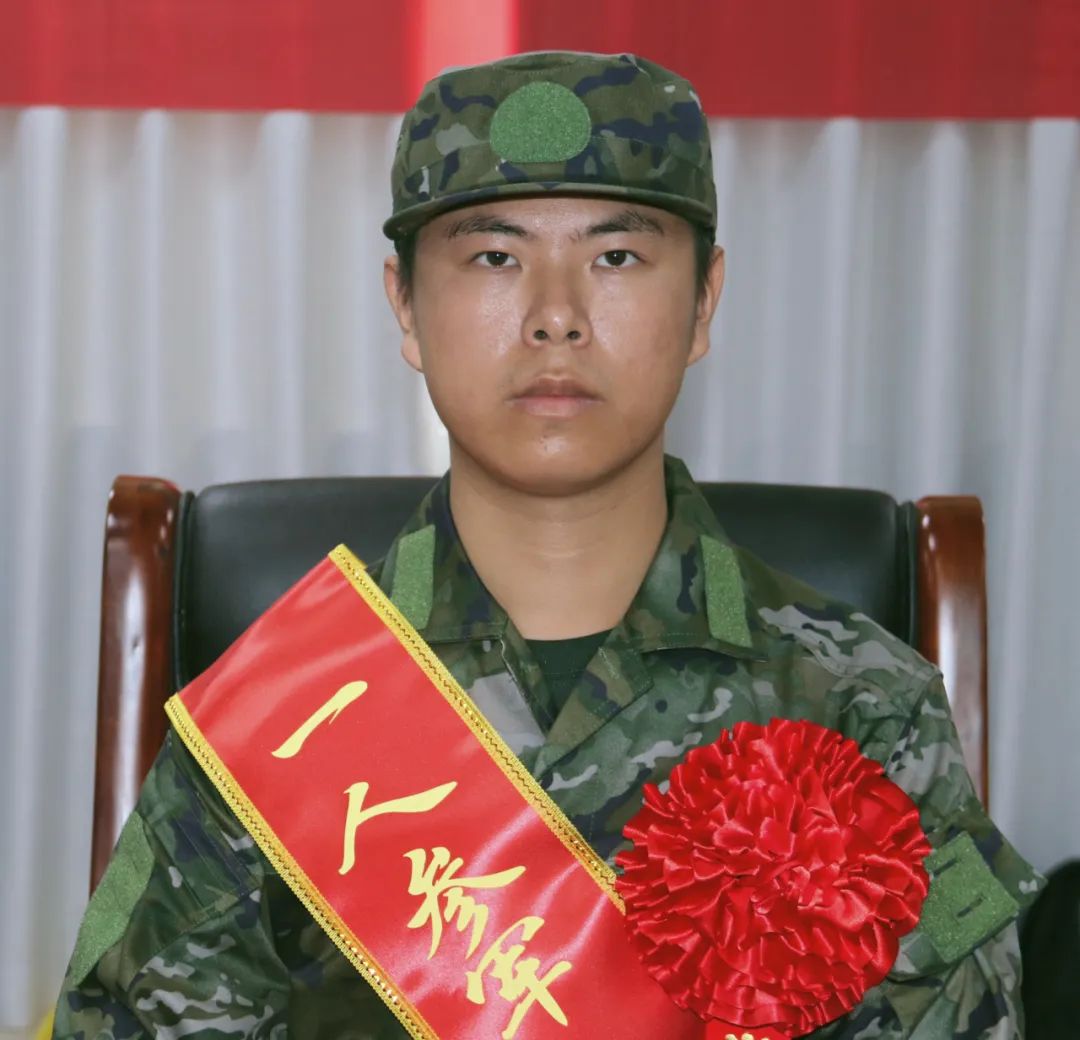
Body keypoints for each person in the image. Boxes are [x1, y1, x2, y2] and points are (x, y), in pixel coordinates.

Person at [53, 51, 1040, 1038]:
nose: (555, 316)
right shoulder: (282, 714)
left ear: (704, 302)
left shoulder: (862, 709)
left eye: (617, 258)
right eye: (495, 257)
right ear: (406, 305)